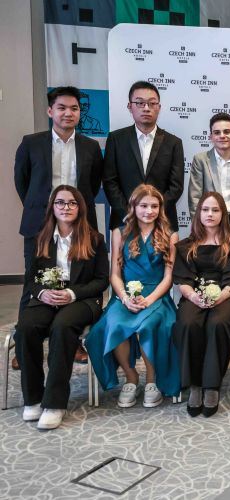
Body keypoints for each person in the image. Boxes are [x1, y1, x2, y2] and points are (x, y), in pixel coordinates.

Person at [14, 85, 102, 367]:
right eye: (62, 108)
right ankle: (24, 346)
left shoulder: (90, 146)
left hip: (79, 226)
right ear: (50, 111)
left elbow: (92, 185)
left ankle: (71, 343)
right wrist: (46, 212)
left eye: (74, 108)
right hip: (39, 224)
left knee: (75, 279)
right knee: (33, 281)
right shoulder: (32, 143)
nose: (68, 113)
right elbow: (23, 182)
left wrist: (73, 214)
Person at [15, 185, 108, 430]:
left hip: (83, 298)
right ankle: (33, 398)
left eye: (71, 203)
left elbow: (102, 280)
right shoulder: (40, 237)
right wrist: (42, 293)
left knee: (63, 326)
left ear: (80, 207)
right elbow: (31, 278)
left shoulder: (95, 238)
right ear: (52, 207)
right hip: (47, 296)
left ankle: (55, 403)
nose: (66, 207)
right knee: (26, 328)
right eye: (60, 202)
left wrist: (71, 293)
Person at [86, 184, 180, 408]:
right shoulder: (120, 232)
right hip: (125, 295)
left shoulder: (170, 234)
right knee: (114, 323)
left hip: (157, 296)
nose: (149, 211)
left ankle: (152, 380)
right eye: (144, 206)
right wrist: (125, 298)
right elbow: (115, 275)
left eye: (154, 206)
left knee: (150, 324)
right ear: (133, 207)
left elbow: (168, 278)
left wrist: (150, 299)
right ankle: (131, 377)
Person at [172, 192, 230, 417]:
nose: (210, 214)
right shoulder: (186, 246)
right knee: (188, 323)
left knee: (217, 323)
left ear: (223, 214)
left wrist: (219, 297)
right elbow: (183, 282)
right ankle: (195, 385)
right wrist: (194, 297)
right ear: (198, 213)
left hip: (226, 297)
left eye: (215, 210)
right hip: (194, 296)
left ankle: (212, 386)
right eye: (205, 209)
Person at [103, 80, 184, 231]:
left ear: (159, 107)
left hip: (162, 222)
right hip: (124, 221)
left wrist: (154, 212)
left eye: (152, 103)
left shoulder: (174, 143)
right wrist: (129, 213)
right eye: (140, 103)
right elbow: (110, 182)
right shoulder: (116, 139)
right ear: (130, 106)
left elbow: (176, 186)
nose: (146, 108)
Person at [188, 112, 230, 251]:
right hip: (208, 223)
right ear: (211, 137)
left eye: (226, 131)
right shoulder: (200, 160)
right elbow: (195, 199)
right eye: (217, 132)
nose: (222, 136)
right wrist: (201, 228)